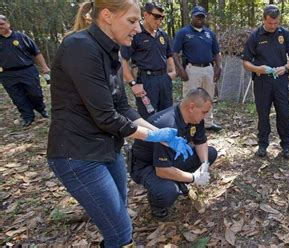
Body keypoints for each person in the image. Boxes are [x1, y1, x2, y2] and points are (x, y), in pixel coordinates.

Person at [46, 1, 192, 247]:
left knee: (119, 213)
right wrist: (154, 137)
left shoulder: (111, 50)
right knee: (121, 232)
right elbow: (106, 117)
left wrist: (161, 133)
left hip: (107, 147)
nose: (137, 29)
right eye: (132, 21)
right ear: (107, 16)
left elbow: (122, 107)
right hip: (78, 154)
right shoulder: (80, 47)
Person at [130, 88, 218, 219]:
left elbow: (201, 142)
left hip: (169, 159)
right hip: (146, 166)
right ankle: (158, 207)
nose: (205, 116)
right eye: (204, 112)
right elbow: (162, 170)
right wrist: (193, 177)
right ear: (192, 107)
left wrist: (204, 164)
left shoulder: (195, 118)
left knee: (210, 153)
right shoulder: (168, 125)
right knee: (168, 191)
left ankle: (178, 180)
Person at [242, 4, 289, 159]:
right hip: (262, 82)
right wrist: (257, 69)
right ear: (264, 20)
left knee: (284, 113)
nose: (273, 26)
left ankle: (286, 145)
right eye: (270, 23)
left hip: (280, 80)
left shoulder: (285, 35)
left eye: (276, 23)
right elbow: (246, 62)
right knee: (263, 114)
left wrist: (286, 67)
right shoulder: (255, 36)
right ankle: (262, 145)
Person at [121, 2, 176, 119]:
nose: (159, 21)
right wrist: (133, 84)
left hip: (164, 80)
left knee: (167, 116)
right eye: (156, 17)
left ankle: (164, 138)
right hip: (146, 81)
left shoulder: (163, 35)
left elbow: (169, 55)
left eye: (161, 18)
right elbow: (124, 60)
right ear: (145, 15)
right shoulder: (135, 34)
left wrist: (172, 73)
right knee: (148, 119)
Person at [172, 5, 222, 132]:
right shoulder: (183, 32)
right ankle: (186, 122)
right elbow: (174, 53)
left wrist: (219, 67)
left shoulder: (209, 34)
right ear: (192, 16)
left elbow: (216, 52)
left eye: (202, 17)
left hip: (208, 69)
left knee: (208, 96)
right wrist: (180, 70)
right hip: (192, 68)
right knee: (190, 96)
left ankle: (208, 123)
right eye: (197, 16)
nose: (200, 19)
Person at [0, 14, 50, 127]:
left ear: (8, 24)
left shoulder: (21, 37)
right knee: (17, 97)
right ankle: (27, 116)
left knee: (35, 93)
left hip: (27, 70)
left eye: (2, 24)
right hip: (7, 74)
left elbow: (36, 52)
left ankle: (41, 109)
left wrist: (44, 67)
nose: (0, 27)